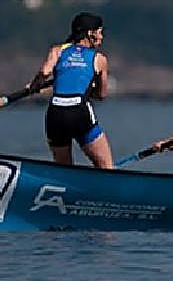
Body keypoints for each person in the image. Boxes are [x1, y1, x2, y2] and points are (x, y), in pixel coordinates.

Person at [32, 12, 113, 168]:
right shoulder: (99, 59)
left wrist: (34, 85)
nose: (102, 37)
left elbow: (44, 72)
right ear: (90, 34)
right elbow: (101, 95)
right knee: (105, 165)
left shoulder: (58, 50)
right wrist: (91, 90)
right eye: (100, 32)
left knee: (64, 170)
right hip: (79, 111)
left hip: (55, 113)